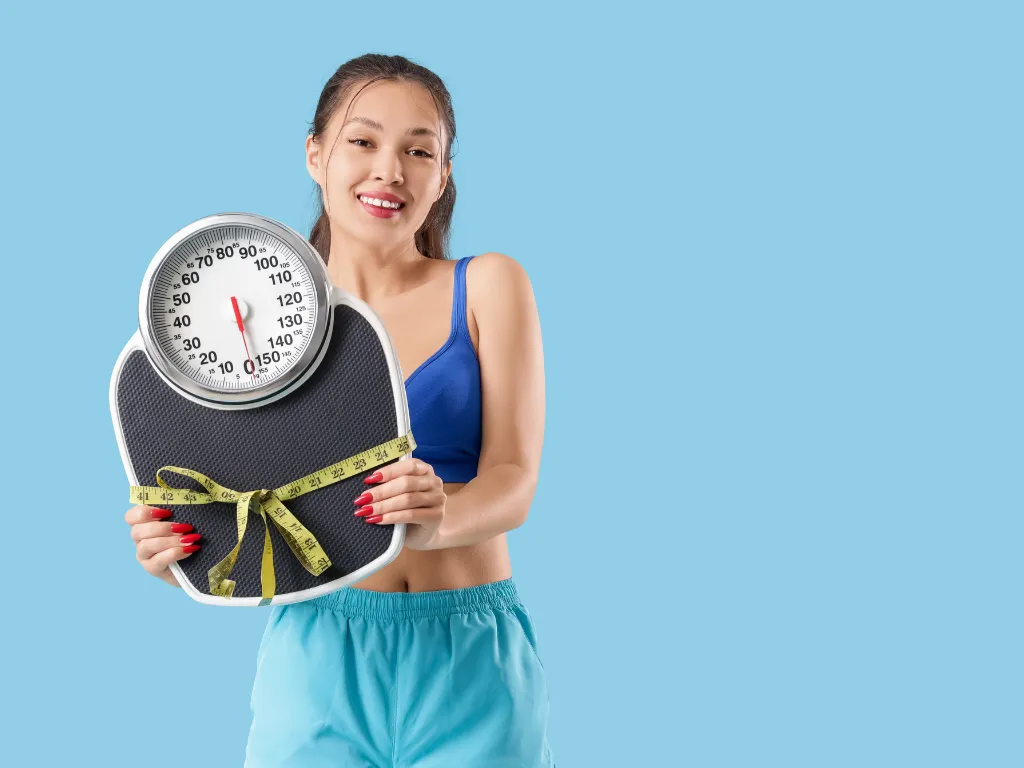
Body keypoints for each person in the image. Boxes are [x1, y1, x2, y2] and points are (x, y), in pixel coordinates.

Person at [123, 53, 555, 767]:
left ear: (442, 177)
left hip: (471, 655)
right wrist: (176, 543)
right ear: (315, 154)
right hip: (314, 656)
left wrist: (441, 516)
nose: (391, 169)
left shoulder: (488, 286)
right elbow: (235, 491)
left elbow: (514, 478)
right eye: (363, 141)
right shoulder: (249, 323)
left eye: (420, 151)